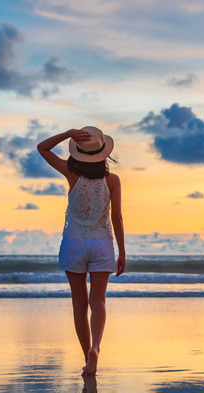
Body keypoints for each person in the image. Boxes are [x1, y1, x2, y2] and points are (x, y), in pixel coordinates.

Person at [37, 126, 125, 376]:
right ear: (103, 153)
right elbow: (117, 217)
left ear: (77, 153)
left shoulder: (70, 173)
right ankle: (96, 347)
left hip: (74, 242)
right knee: (98, 301)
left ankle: (87, 356)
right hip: (101, 243)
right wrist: (122, 252)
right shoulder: (113, 180)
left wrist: (68, 133)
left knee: (79, 303)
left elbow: (41, 148)